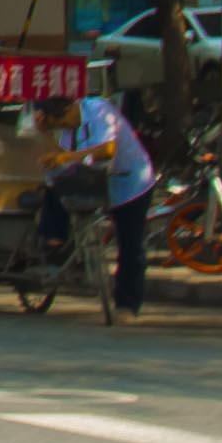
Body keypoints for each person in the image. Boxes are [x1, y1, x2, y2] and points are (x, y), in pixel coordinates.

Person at [54, 73, 156, 317]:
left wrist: (69, 158)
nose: (65, 126)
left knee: (130, 244)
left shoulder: (99, 110)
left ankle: (127, 304)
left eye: (64, 119)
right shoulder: (66, 129)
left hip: (133, 181)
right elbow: (64, 156)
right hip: (101, 181)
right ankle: (56, 246)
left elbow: (107, 150)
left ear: (72, 107)